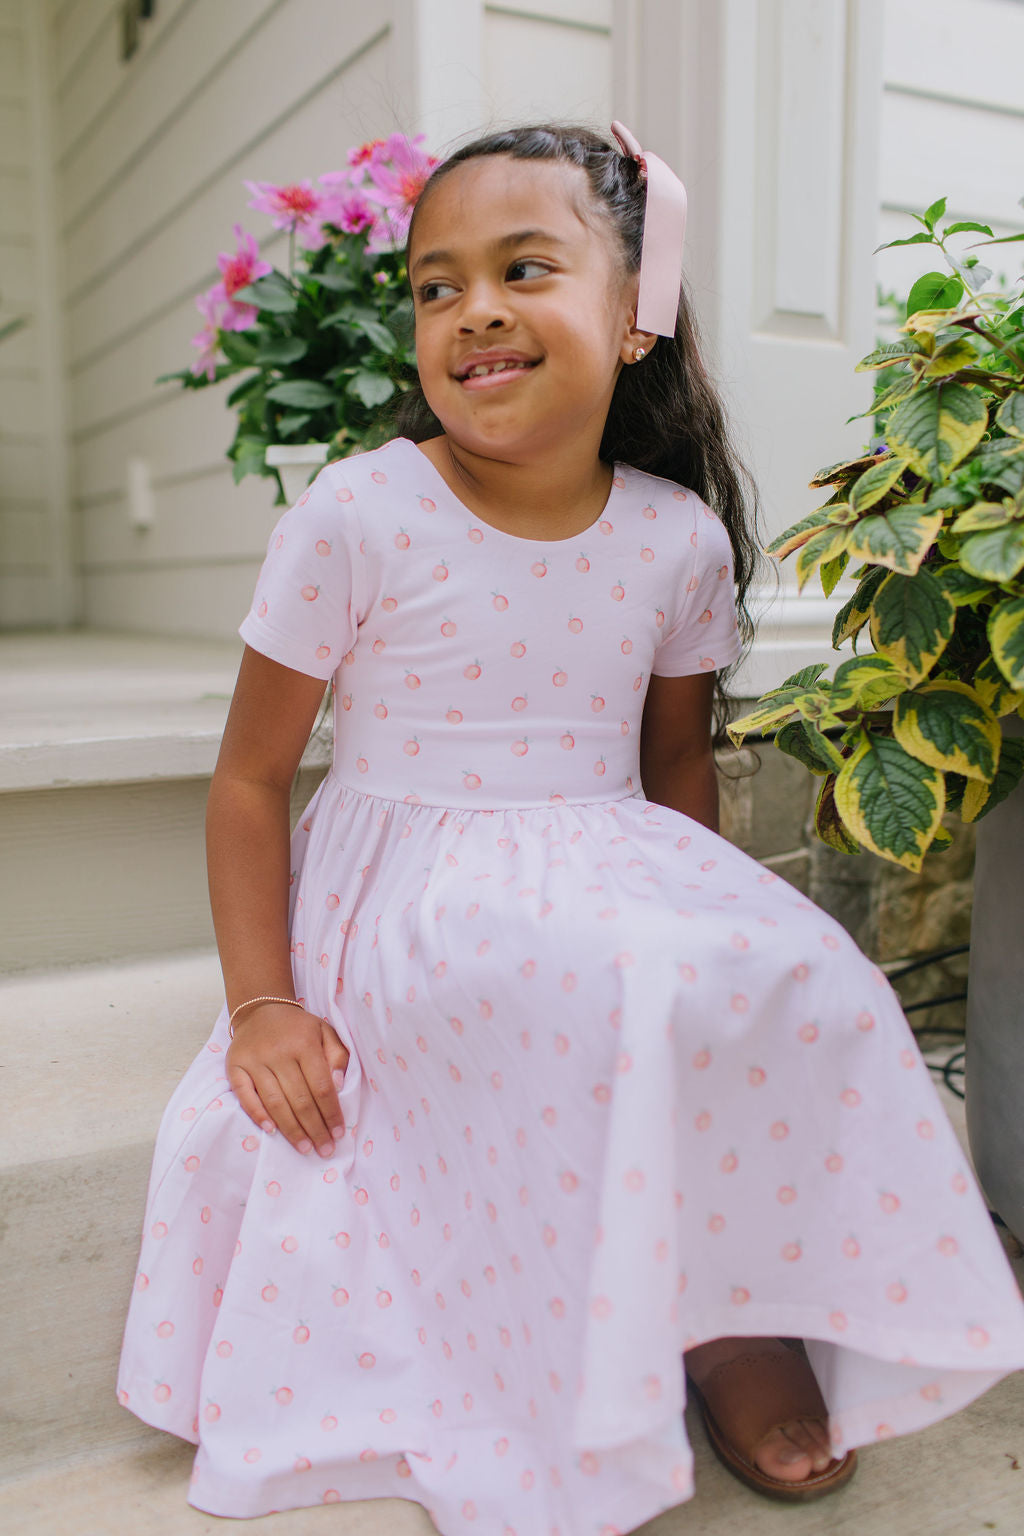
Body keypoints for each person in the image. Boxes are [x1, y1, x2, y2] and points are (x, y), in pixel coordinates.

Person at [117, 122, 1024, 1534]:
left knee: (812, 975)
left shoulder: (676, 537)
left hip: (609, 849)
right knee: (594, 990)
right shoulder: (361, 512)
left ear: (635, 313)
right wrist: (261, 1003)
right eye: (436, 286)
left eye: (523, 269)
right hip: (414, 879)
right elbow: (249, 780)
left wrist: (715, 929)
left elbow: (675, 763)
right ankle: (665, 1322)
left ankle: (737, 1304)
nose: (472, 309)